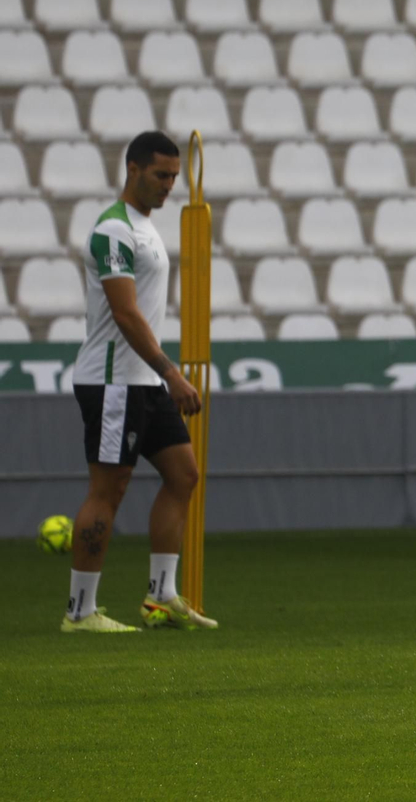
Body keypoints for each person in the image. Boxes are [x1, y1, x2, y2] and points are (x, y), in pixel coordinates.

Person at [63, 131, 214, 633]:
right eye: (161, 175)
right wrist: (171, 372)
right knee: (109, 489)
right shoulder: (112, 231)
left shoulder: (145, 228)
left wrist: (158, 376)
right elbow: (125, 315)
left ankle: (160, 597)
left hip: (141, 380)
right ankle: (80, 611)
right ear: (132, 169)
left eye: (174, 176)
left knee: (183, 474)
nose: (170, 185)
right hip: (112, 381)